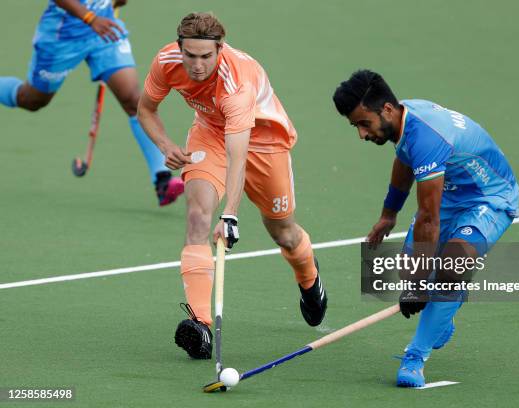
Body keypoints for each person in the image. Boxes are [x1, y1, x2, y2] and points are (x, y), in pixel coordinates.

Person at [137, 12, 327, 359]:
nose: (196, 65)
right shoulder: (166, 61)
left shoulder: (236, 84)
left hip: (263, 142)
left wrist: (231, 215)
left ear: (219, 50)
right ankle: (201, 325)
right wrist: (166, 146)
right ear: (179, 48)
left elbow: (237, 157)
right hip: (209, 132)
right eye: (190, 55)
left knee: (283, 232)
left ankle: (309, 275)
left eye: (205, 56)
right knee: (196, 218)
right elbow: (146, 109)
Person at [333, 70, 519, 387]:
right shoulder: (404, 121)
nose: (361, 135)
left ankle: (415, 357)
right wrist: (388, 214)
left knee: (449, 267)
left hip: (487, 198)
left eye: (364, 124)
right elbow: (405, 159)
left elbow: (429, 219)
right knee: (410, 273)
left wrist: (420, 285)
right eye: (356, 126)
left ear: (387, 110)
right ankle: (446, 308)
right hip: (450, 192)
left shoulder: (427, 137)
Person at [0, 0, 183, 206]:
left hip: (104, 31)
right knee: (32, 99)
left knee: (134, 101)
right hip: (63, 36)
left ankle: (162, 179)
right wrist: (90, 18)